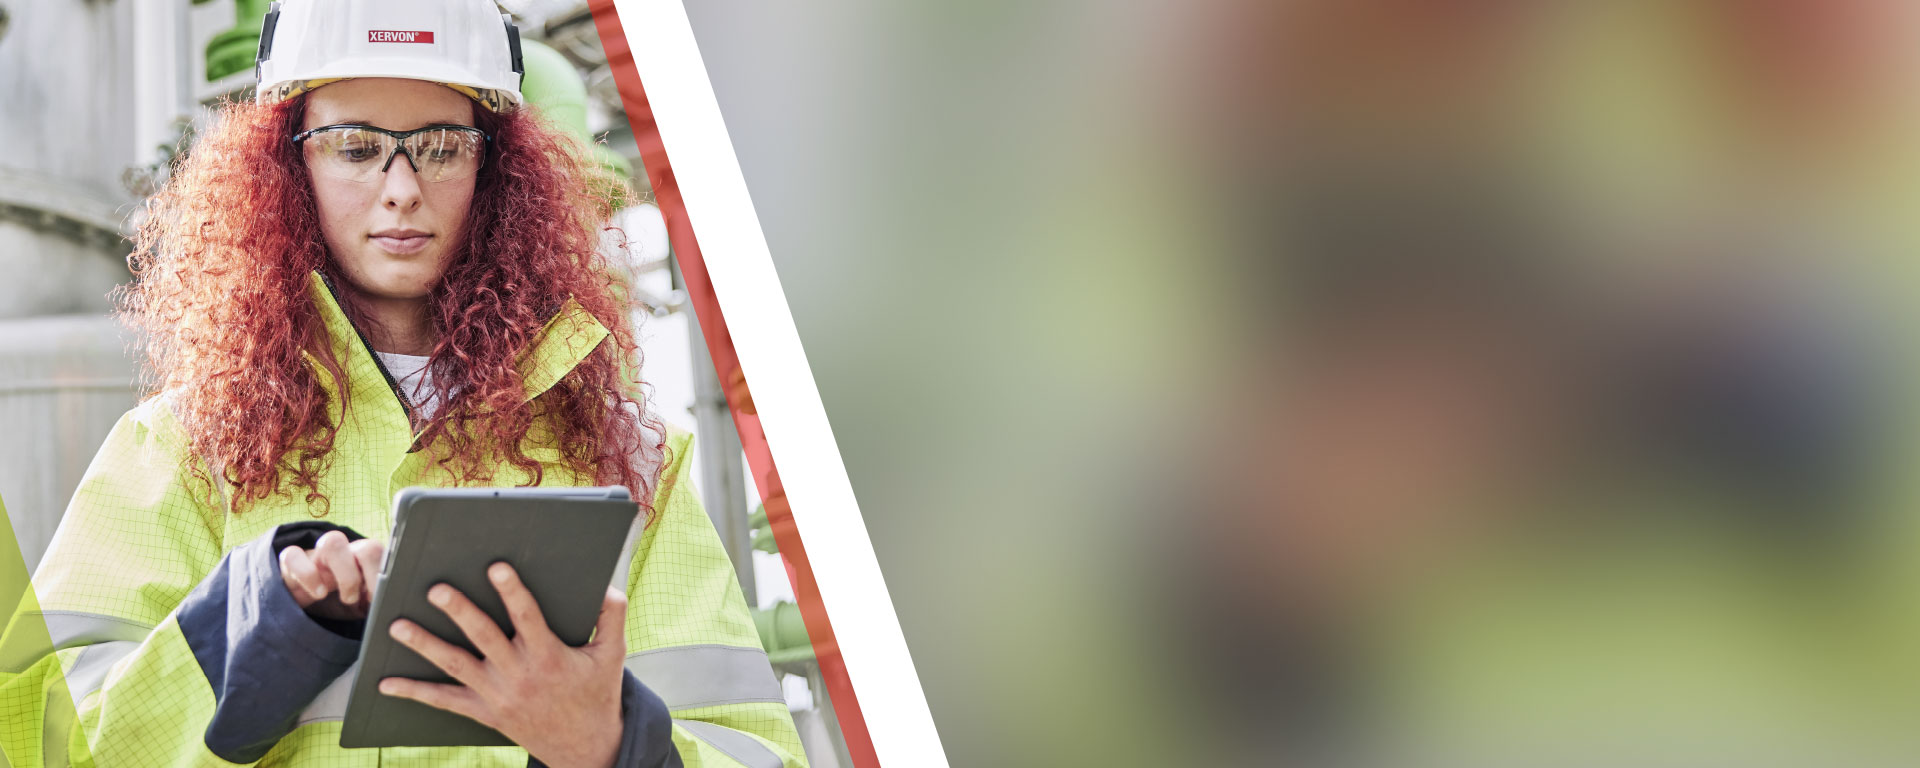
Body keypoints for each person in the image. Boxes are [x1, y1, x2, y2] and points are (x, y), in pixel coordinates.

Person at [0, 2, 804, 766]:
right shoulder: (184, 447)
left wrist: (611, 745)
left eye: (442, 146)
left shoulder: (629, 460)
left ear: (496, 172)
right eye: (355, 146)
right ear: (289, 165)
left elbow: (755, 748)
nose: (401, 188)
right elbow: (41, 742)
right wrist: (256, 625)